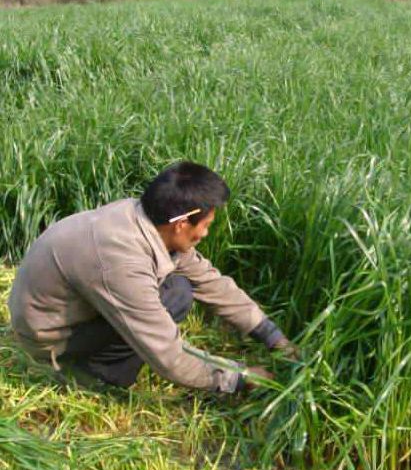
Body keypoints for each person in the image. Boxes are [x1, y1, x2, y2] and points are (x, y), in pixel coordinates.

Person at [8, 161, 295, 393]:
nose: (205, 234)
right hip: (51, 338)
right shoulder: (121, 261)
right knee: (173, 297)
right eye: (206, 226)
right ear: (182, 224)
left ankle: (97, 364)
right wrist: (240, 377)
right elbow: (169, 356)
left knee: (180, 288)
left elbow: (210, 281)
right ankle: (92, 378)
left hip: (70, 313)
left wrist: (273, 337)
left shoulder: (148, 218)